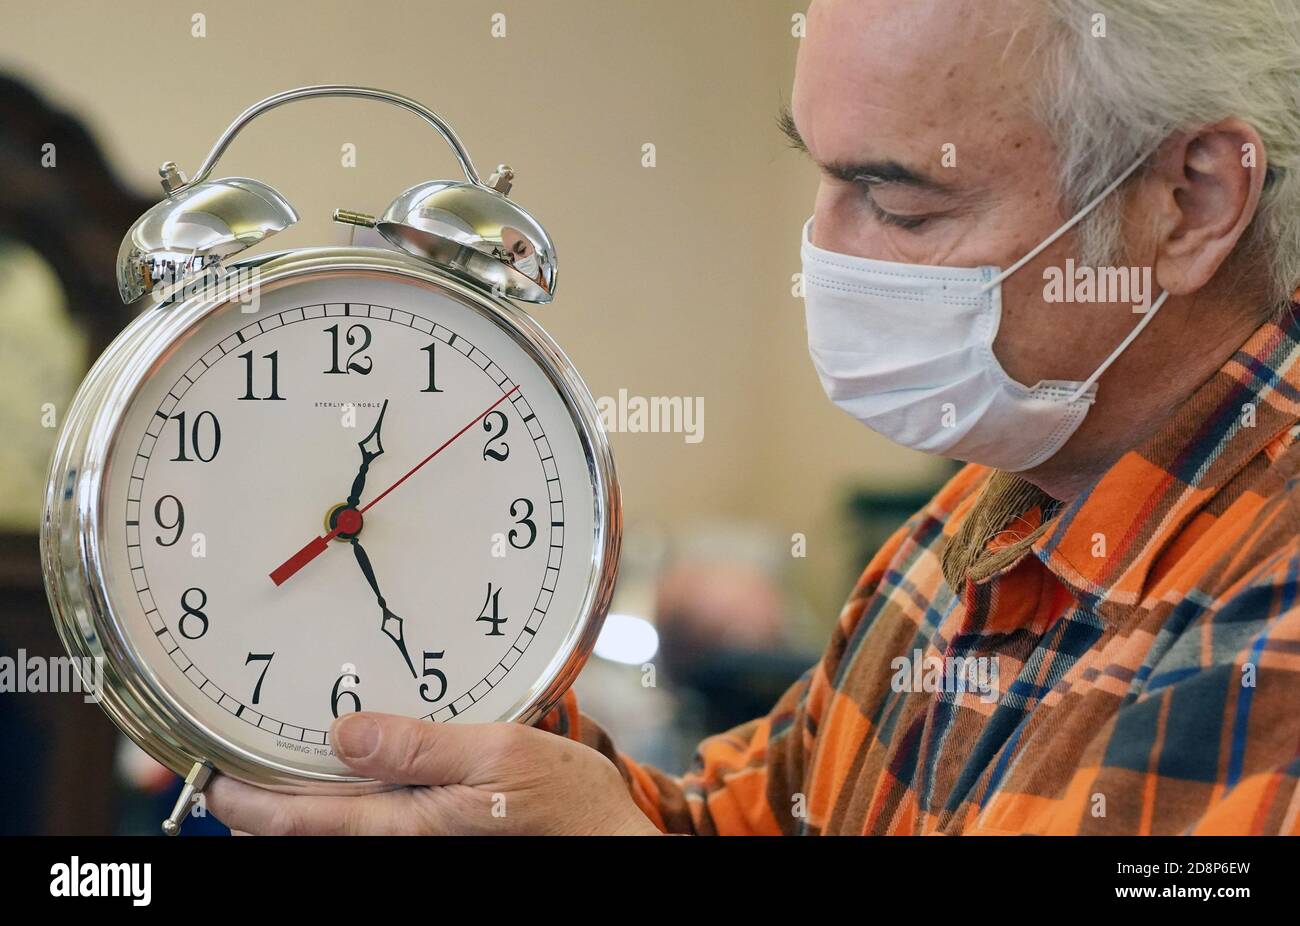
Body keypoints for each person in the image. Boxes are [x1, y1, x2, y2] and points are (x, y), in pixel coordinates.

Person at [208, 0, 1300, 835]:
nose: (824, 251)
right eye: (818, 180)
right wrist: (495, 738)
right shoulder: (957, 543)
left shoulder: (1270, 616)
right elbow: (742, 818)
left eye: (900, 201)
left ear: (1190, 199)